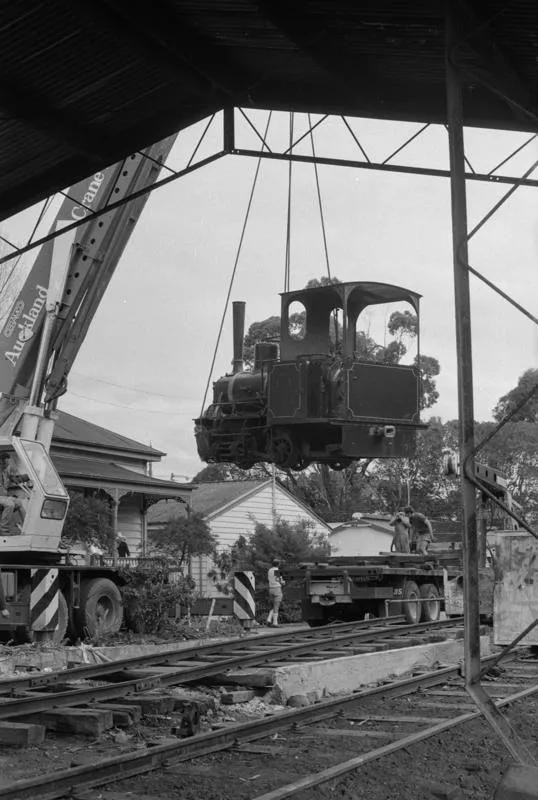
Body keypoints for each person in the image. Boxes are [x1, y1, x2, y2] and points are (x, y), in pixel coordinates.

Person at [0, 451, 28, 536]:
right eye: (5, 463)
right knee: (10, 504)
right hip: (2, 498)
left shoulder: (5, 471)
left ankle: (27, 527)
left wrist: (28, 477)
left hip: (3, 497)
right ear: (0, 461)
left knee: (19, 503)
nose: (7, 466)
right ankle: (3, 529)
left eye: (8, 463)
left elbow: (16, 480)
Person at [266, 558, 285, 627]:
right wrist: (283, 582)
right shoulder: (276, 570)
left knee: (273, 605)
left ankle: (268, 619)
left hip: (270, 589)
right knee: (276, 606)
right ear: (278, 564)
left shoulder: (269, 570)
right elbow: (278, 579)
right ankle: (275, 623)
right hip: (277, 589)